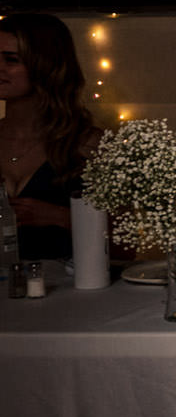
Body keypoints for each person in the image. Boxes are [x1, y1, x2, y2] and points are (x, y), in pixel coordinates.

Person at [0, 14, 105, 261]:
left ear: (45, 64)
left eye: (11, 59)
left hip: (70, 290)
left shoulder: (88, 144)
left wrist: (60, 217)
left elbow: (124, 243)